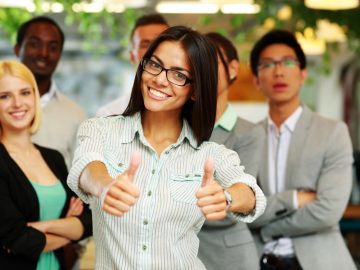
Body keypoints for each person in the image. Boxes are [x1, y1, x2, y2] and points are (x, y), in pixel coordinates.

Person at [67, 26, 266, 269]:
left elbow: (251, 193)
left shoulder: (208, 154)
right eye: (155, 65)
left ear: (194, 90)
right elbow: (86, 166)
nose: (160, 79)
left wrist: (226, 197)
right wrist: (105, 186)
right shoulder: (100, 129)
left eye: (179, 75)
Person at [248, 29, 356, 270]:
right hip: (258, 261)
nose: (279, 71)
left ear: (303, 74)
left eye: (288, 62)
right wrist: (295, 199)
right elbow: (243, 211)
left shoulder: (332, 133)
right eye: (267, 65)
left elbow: (328, 211)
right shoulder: (248, 137)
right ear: (256, 80)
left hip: (318, 261)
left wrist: (268, 228)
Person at [0, 60, 92, 270]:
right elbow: (18, 240)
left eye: (24, 92)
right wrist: (67, 228)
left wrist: (45, 226)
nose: (17, 103)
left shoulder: (53, 158)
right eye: (5, 96)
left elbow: (89, 221)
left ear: (34, 96)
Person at [197, 32, 265, 270]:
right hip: (178, 255)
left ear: (233, 68)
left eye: (211, 62)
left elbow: (237, 204)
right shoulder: (177, 128)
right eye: (196, 64)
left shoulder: (249, 133)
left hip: (228, 258)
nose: (203, 71)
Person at [14, 16, 87, 168]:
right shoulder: (4, 106)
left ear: (60, 55)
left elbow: (80, 176)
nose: (44, 53)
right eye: (35, 44)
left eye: (53, 47)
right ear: (17, 49)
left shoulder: (76, 116)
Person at [96, 13, 169, 117]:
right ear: (132, 57)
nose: (154, 50)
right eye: (145, 44)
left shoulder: (192, 114)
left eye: (160, 42)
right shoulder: (109, 115)